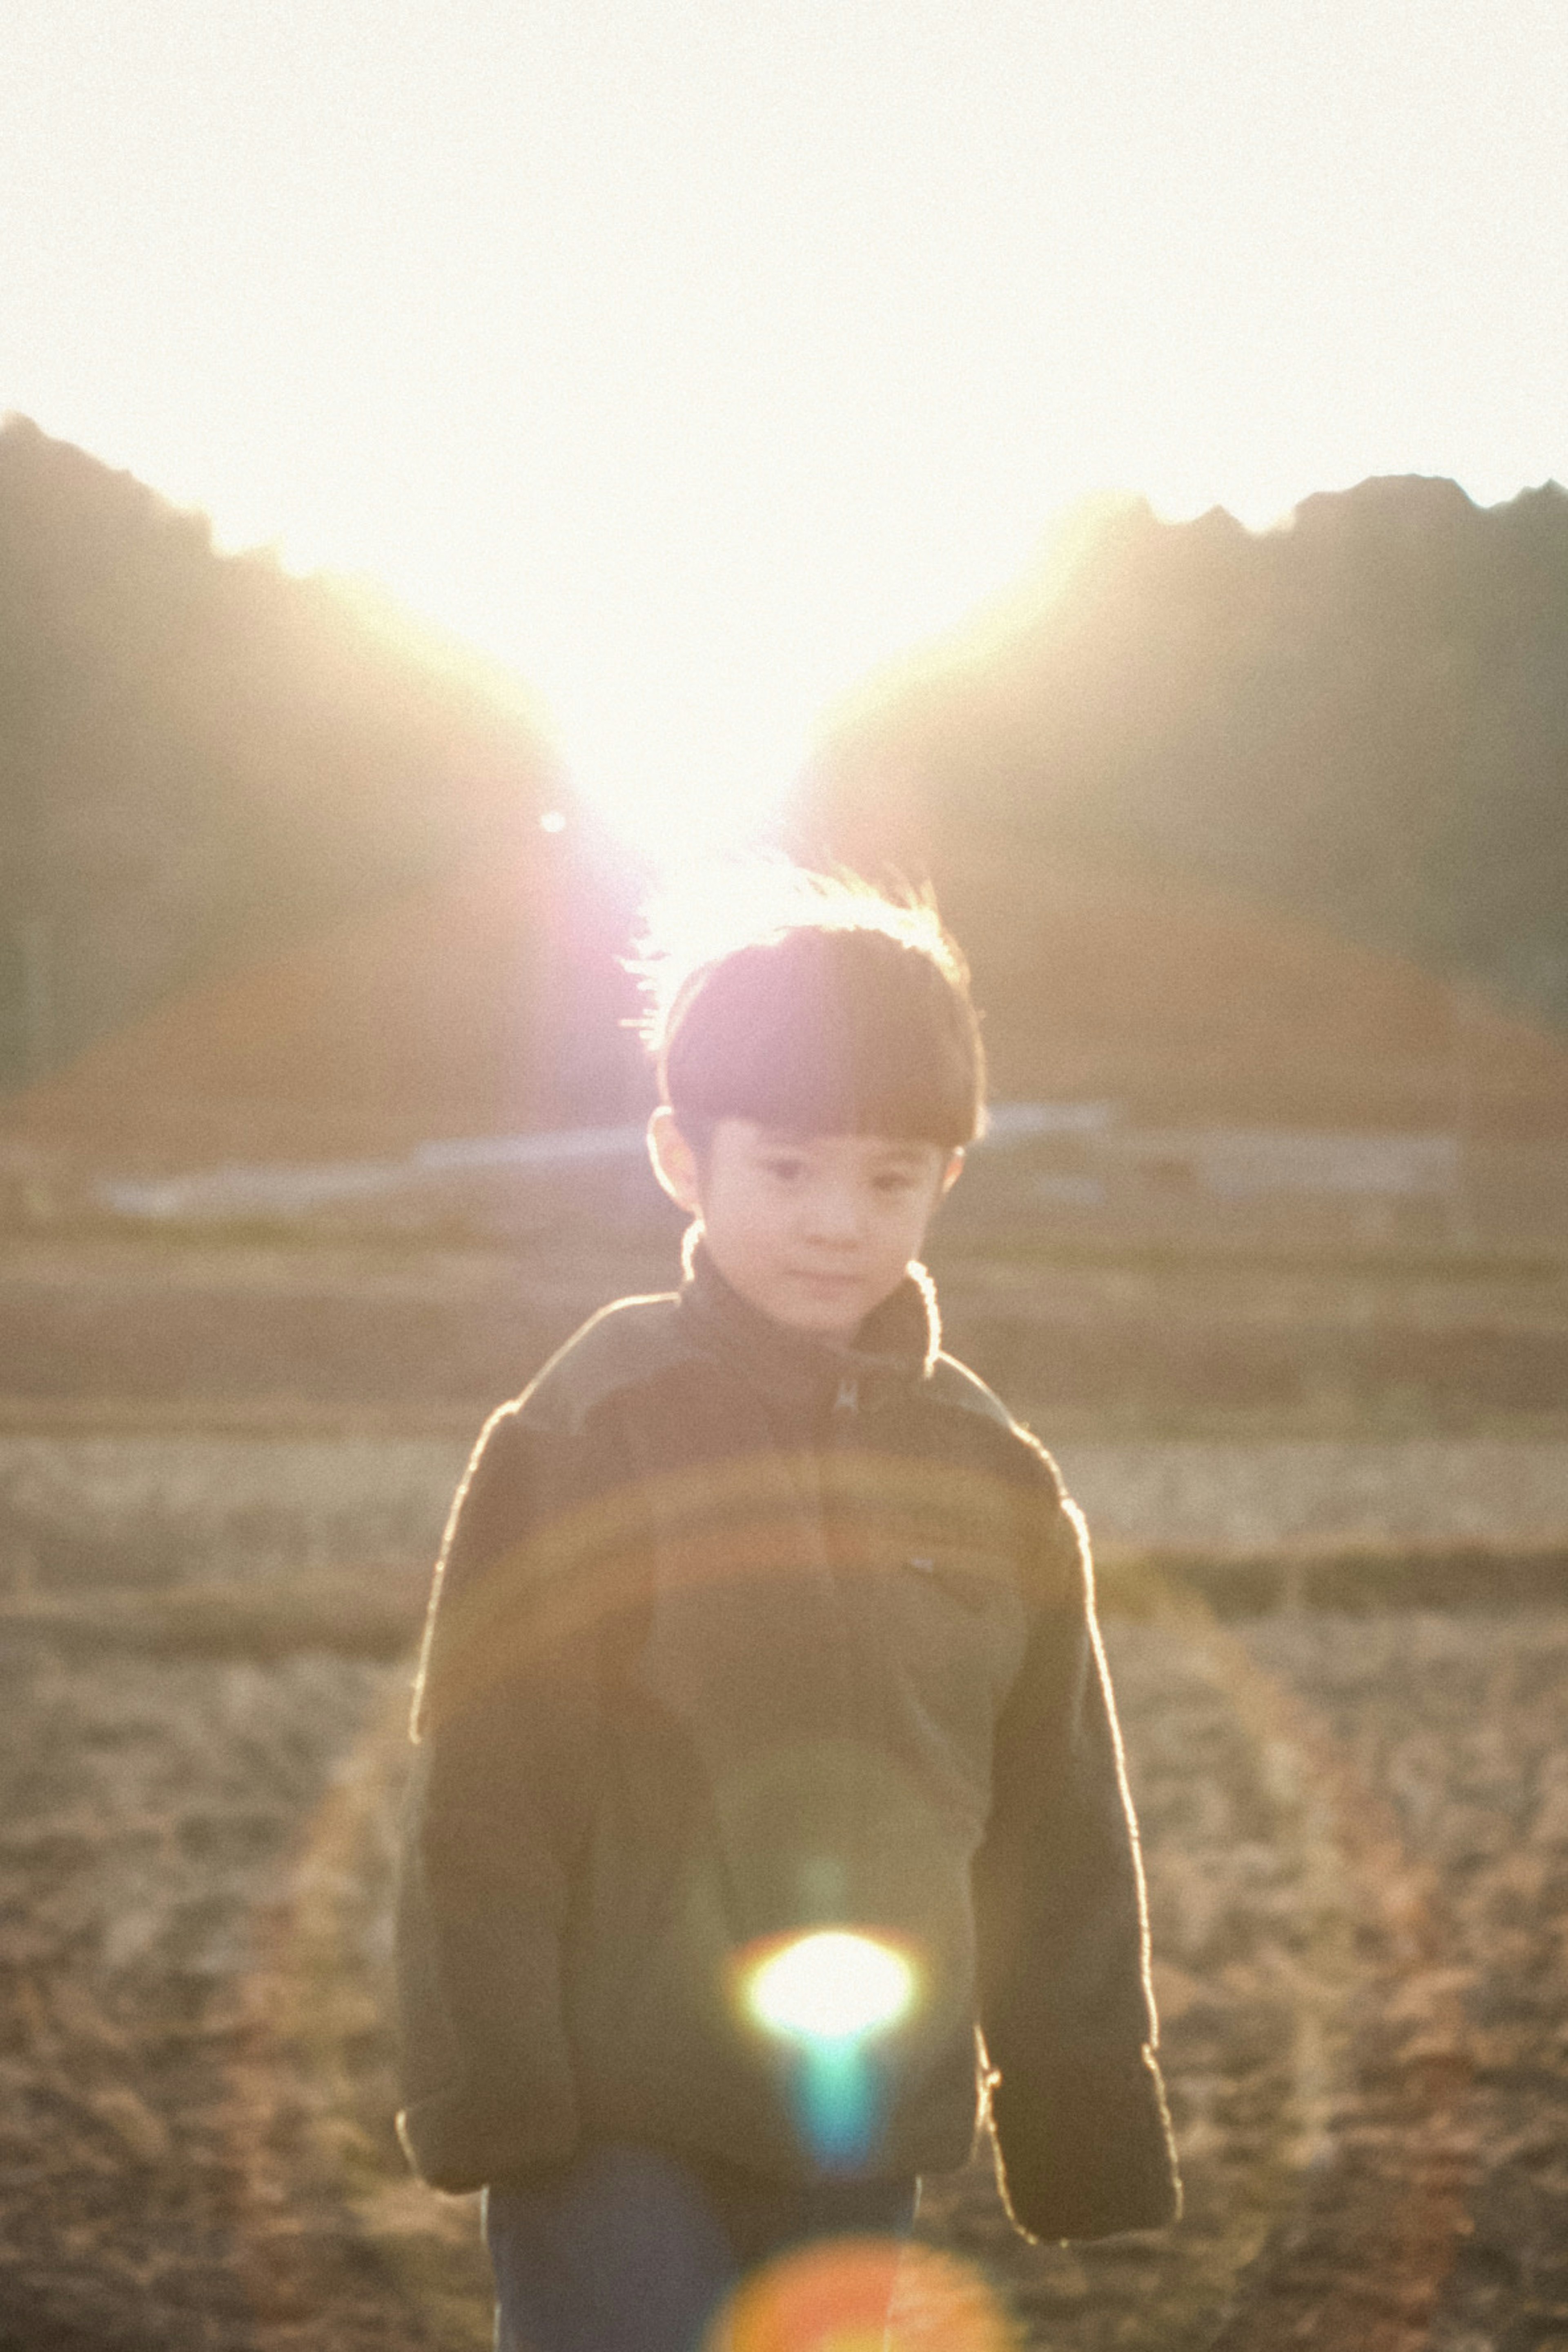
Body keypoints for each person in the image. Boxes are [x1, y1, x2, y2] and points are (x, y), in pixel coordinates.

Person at [393, 873, 1180, 2352]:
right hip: (615, 2104)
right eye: (792, 1169)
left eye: (890, 1179)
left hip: (862, 2122)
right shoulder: (595, 1424)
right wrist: (493, 2080)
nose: (839, 1222)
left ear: (948, 1179)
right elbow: (486, 1782)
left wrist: (1081, 2110)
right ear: (682, 1160)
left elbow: (1057, 1822)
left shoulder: (992, 1472)